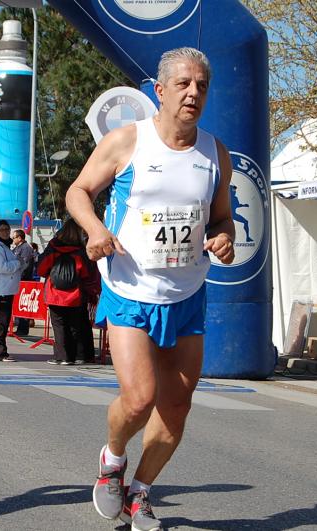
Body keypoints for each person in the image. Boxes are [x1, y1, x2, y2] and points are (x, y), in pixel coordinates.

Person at [65, 47, 235, 530]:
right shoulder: (127, 142)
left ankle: (139, 492)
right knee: (139, 399)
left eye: (201, 85)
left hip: (187, 293)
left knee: (176, 407)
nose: (193, 93)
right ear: (159, 91)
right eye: (183, 84)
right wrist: (95, 231)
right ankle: (112, 458)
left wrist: (224, 237)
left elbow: (222, 217)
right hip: (130, 287)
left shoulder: (214, 151)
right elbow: (78, 191)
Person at [37, 218, 100, 365]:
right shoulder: (81, 251)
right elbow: (86, 273)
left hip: (54, 293)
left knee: (59, 326)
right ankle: (79, 355)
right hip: (75, 295)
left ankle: (62, 356)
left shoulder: (53, 248)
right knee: (75, 325)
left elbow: (41, 269)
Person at [0, 220, 22, 361]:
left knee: (4, 321)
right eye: (2, 229)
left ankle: (0, 349)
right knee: (0, 321)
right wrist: (17, 263)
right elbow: (2, 268)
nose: (5, 231)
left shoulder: (6, 247)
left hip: (7, 289)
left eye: (7, 229)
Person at [11, 229, 34, 335]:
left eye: (14, 237)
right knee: (17, 305)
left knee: (23, 305)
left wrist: (18, 276)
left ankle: (23, 329)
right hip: (16, 280)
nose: (12, 239)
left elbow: (25, 265)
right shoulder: (16, 248)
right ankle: (19, 326)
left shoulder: (26, 248)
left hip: (24, 281)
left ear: (20, 238)